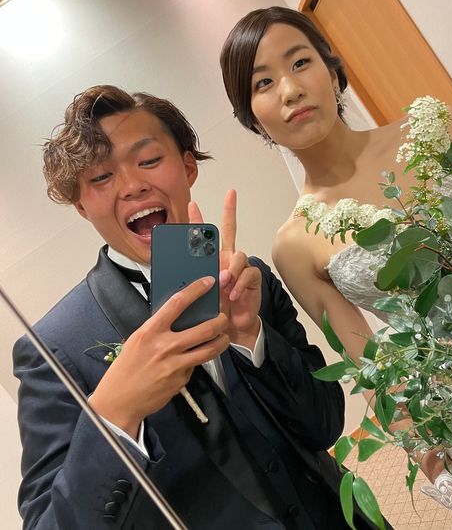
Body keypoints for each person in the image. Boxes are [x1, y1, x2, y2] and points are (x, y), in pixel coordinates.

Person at [220, 6, 452, 529]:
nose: (290, 90)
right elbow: (373, 372)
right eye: (263, 83)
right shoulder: (295, 244)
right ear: (252, 117)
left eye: (299, 63)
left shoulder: (437, 129)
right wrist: (449, 477)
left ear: (332, 70)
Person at [12, 85, 383, 530]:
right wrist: (115, 414)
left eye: (149, 160)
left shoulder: (251, 279)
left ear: (188, 167)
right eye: (101, 177)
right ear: (80, 205)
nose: (132, 185)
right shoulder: (53, 347)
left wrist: (251, 337)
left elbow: (326, 425)